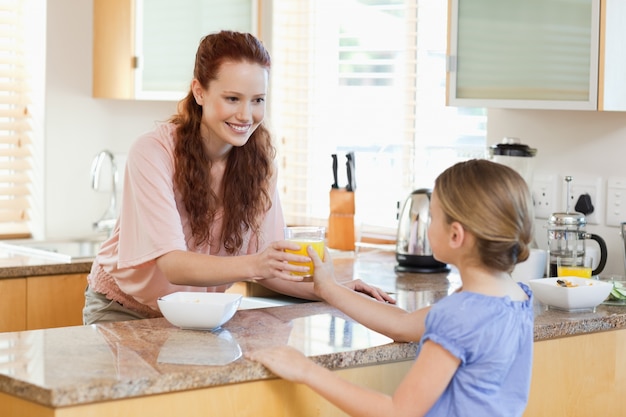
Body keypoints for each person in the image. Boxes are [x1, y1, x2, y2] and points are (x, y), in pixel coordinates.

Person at [83, 30, 392, 325]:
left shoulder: (259, 164)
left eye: (257, 100)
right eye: (232, 99)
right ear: (199, 91)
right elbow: (173, 264)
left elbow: (271, 268)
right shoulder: (153, 152)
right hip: (123, 310)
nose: (246, 115)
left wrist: (334, 289)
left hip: (198, 315)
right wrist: (256, 264)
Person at [247, 159, 535, 417]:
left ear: (456, 234)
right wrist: (328, 288)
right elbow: (403, 325)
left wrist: (306, 371)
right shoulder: (516, 298)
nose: (427, 226)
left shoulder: (459, 316)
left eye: (433, 217)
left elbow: (398, 412)